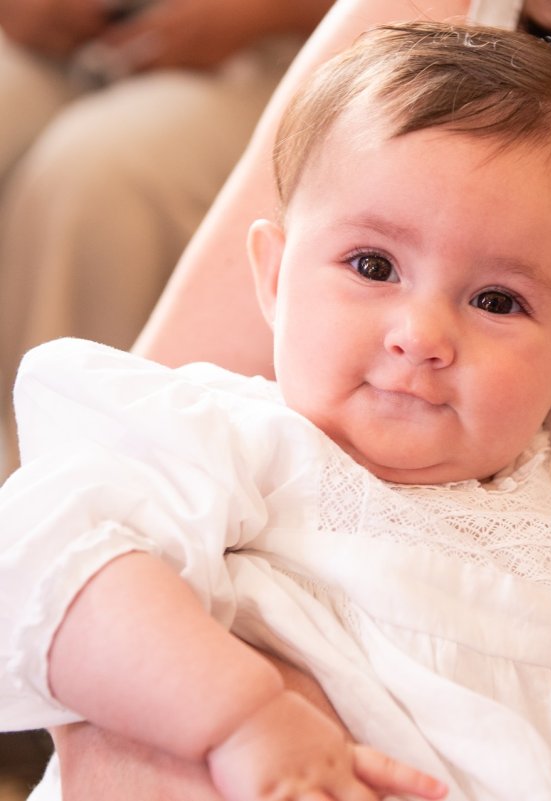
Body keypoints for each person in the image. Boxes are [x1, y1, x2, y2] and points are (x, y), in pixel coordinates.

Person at [1, 18, 551, 801]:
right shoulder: (232, 436)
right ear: (276, 278)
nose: (422, 335)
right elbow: (58, 562)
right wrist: (237, 715)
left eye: (497, 300)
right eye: (373, 264)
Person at [0, 0, 332, 479]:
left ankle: (64, 490)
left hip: (293, 54)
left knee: (98, 176)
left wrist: (272, 11)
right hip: (68, 36)